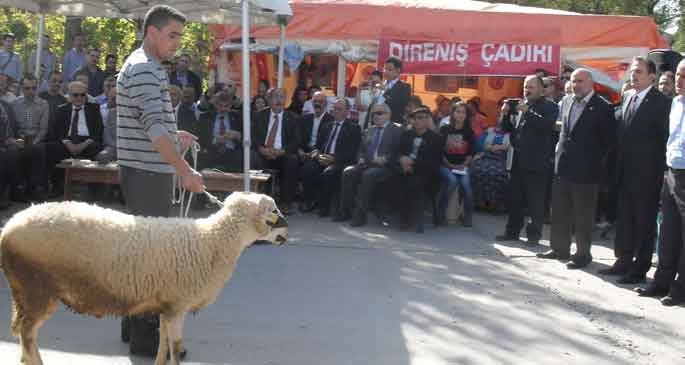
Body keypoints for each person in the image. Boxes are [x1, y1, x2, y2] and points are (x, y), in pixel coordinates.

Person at [116, 5, 203, 357]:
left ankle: (132, 325)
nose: (177, 43)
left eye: (180, 36)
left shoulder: (142, 65)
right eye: (173, 35)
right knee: (153, 260)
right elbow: (153, 130)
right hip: (149, 174)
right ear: (152, 32)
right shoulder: (145, 70)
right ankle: (147, 340)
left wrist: (173, 132)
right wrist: (184, 170)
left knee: (141, 255)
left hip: (144, 170)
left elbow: (150, 121)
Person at [599, 57, 670, 281]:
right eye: (632, 71)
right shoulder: (628, 97)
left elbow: (663, 141)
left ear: (652, 76)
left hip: (647, 175)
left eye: (639, 71)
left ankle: (639, 269)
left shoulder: (661, 103)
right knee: (625, 220)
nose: (633, 75)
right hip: (624, 172)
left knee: (643, 223)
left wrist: (658, 174)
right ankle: (622, 260)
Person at [537, 68, 616, 269]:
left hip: (587, 171)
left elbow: (608, 142)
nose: (576, 85)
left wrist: (595, 164)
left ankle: (582, 255)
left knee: (583, 216)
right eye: (573, 81)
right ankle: (559, 249)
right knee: (560, 211)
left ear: (591, 83)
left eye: (580, 81)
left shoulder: (603, 107)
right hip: (563, 166)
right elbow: (564, 131)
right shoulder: (567, 101)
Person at [636, 59, 685, 306]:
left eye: (684, 76)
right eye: (677, 74)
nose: (678, 80)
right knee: (667, 231)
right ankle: (661, 281)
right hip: (671, 172)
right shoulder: (675, 103)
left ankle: (680, 289)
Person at [496, 75, 558, 246]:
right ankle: (512, 232)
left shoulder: (549, 106)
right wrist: (505, 115)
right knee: (515, 198)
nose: (527, 90)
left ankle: (533, 236)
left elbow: (546, 125)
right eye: (525, 87)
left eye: (531, 87)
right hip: (518, 159)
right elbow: (506, 129)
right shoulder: (523, 104)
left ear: (541, 88)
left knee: (535, 201)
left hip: (537, 162)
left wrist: (526, 112)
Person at [338, 102, 403, 227]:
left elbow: (400, 151)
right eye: (373, 114)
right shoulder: (369, 130)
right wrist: (361, 158)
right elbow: (361, 149)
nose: (376, 116)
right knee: (348, 172)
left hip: (386, 167)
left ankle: (359, 216)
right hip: (367, 164)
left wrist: (386, 159)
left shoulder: (397, 130)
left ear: (388, 115)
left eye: (379, 113)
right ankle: (346, 211)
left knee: (368, 175)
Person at [301, 98, 361, 217]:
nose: (335, 111)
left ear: (347, 112)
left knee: (329, 173)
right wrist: (317, 155)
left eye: (339, 109)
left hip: (340, 160)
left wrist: (334, 159)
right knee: (307, 169)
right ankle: (309, 201)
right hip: (322, 157)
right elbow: (317, 145)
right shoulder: (326, 126)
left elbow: (352, 152)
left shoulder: (353, 128)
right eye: (334, 108)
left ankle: (325, 207)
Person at [393, 105, 443, 232]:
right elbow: (398, 151)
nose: (417, 121)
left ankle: (406, 219)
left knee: (411, 184)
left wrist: (412, 164)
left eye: (421, 118)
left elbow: (434, 162)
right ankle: (392, 212)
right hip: (404, 168)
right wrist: (402, 159)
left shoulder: (436, 139)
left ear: (427, 121)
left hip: (424, 172)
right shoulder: (407, 134)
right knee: (391, 179)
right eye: (415, 118)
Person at [252, 87, 300, 214]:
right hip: (264, 152)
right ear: (269, 99)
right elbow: (253, 136)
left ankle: (286, 202)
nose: (279, 100)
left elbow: (296, 141)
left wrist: (283, 151)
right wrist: (261, 148)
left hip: (282, 153)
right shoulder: (259, 115)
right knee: (254, 158)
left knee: (292, 160)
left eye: (282, 97)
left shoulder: (293, 118)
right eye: (276, 97)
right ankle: (260, 200)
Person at [437, 102, 476, 226]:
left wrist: (464, 164)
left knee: (467, 187)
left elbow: (471, 153)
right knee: (452, 181)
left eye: (463, 112)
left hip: (462, 166)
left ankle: (468, 215)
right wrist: (450, 165)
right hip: (445, 165)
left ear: (466, 115)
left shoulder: (469, 132)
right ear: (452, 113)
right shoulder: (445, 129)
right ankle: (440, 212)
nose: (460, 115)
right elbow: (439, 151)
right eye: (457, 111)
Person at [198, 91, 243, 172]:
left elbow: (249, 136)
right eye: (220, 106)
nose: (223, 109)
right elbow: (200, 138)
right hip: (212, 151)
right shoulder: (205, 117)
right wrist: (215, 140)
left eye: (226, 106)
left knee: (238, 158)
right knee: (204, 158)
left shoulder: (238, 117)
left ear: (230, 106)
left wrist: (238, 135)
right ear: (215, 105)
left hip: (232, 153)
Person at [470, 125, 510, 212]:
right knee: (477, 170)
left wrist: (502, 147)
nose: (501, 118)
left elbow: (510, 148)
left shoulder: (512, 133)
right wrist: (491, 147)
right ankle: (479, 202)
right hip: (486, 156)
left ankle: (494, 204)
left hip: (501, 159)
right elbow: (479, 145)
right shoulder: (489, 131)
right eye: (500, 115)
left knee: (497, 174)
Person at [0, 97, 20, 209]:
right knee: (2, 156)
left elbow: (10, 127)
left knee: (13, 152)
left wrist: (11, 139)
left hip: (5, 141)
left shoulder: (5, 105)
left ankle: (11, 191)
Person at [380, 57, 411, 124]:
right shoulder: (380, 85)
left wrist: (385, 91)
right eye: (385, 69)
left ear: (398, 70)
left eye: (389, 69)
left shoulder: (404, 87)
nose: (386, 72)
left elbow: (399, 105)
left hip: (392, 124)